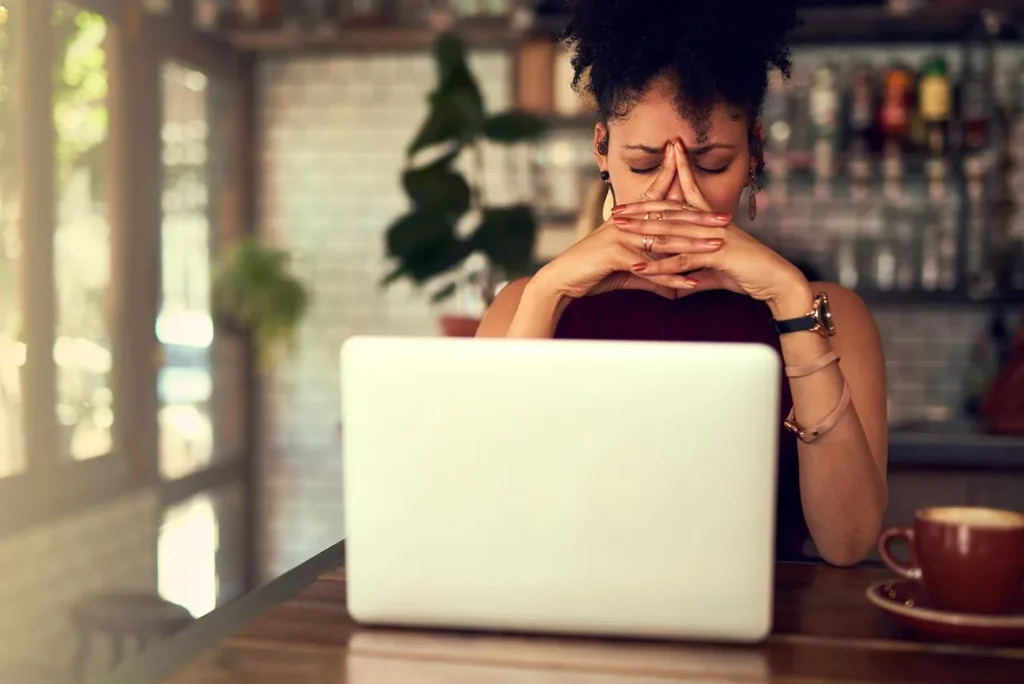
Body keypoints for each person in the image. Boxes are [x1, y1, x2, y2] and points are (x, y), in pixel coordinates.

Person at [477, 0, 888, 566]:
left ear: (755, 153)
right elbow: (485, 514)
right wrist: (546, 294)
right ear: (601, 149)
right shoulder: (526, 304)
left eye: (712, 164)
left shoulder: (828, 313)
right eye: (645, 165)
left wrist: (791, 303)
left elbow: (848, 543)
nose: (674, 194)